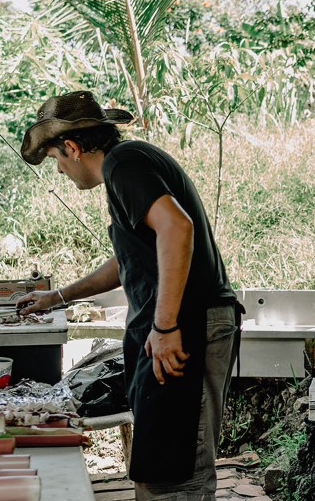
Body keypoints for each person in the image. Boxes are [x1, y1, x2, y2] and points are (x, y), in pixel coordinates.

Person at [15, 91, 241, 499]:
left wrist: (165, 325)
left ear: (72, 148)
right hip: (175, 328)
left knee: (176, 476)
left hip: (186, 327)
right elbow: (128, 261)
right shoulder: (126, 168)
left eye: (55, 160)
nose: (60, 171)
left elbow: (177, 227)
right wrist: (58, 297)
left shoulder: (125, 162)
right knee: (157, 471)